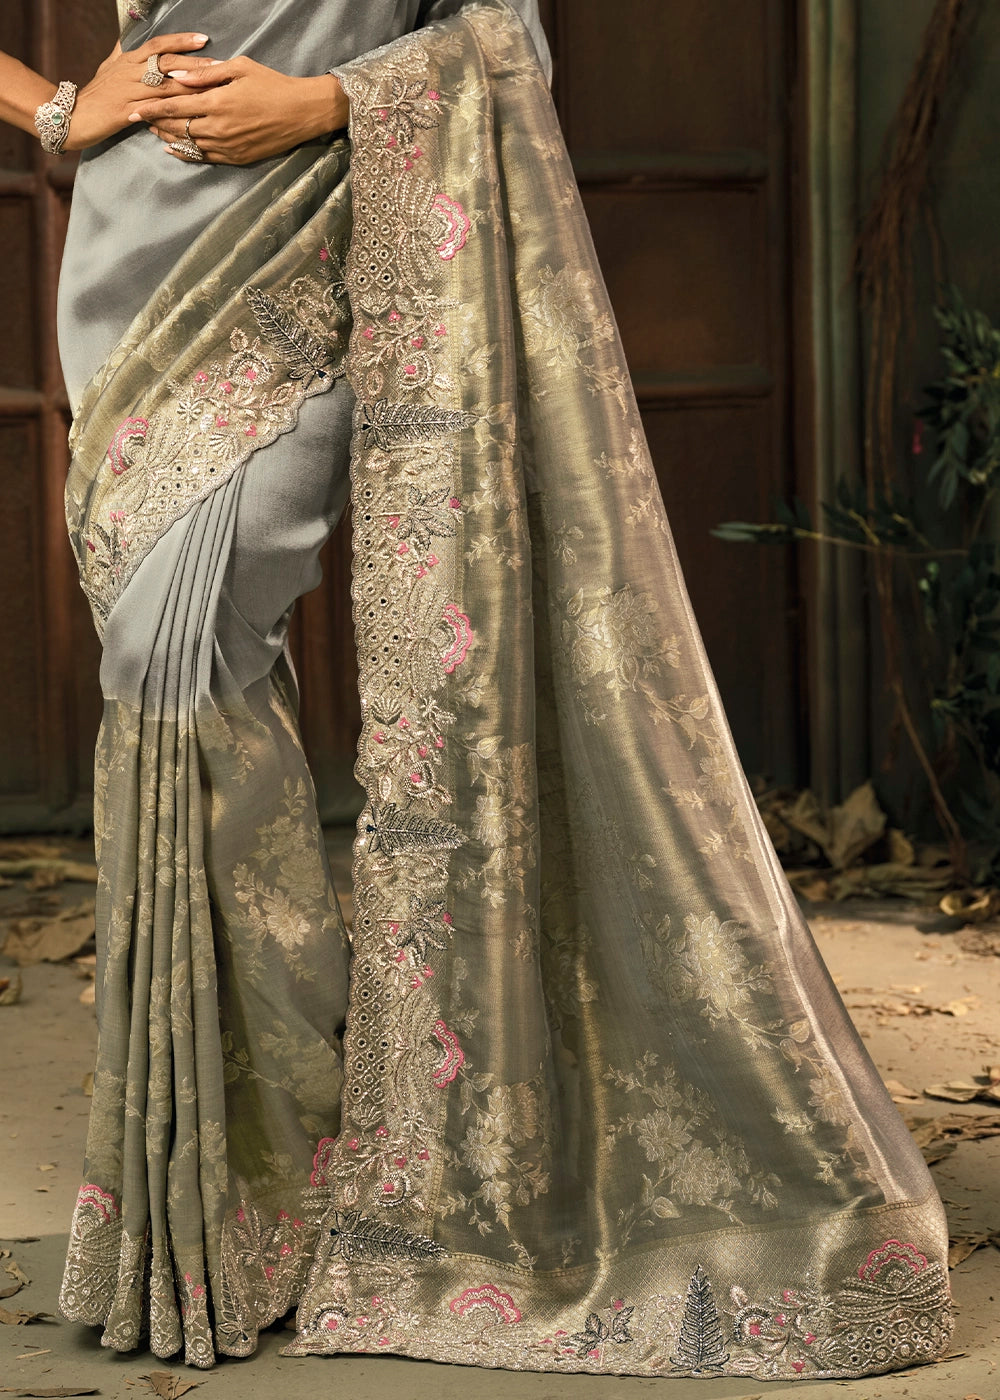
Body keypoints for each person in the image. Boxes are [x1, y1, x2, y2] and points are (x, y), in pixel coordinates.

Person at [1, 0, 953, 1381]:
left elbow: (510, 36)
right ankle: (234, 1192)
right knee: (166, 677)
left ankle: (266, 1170)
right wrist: (54, 110)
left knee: (185, 653)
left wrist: (328, 104)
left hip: (334, 232)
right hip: (136, 262)